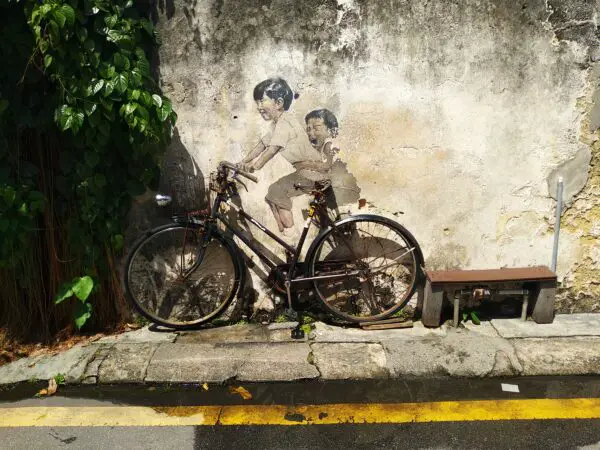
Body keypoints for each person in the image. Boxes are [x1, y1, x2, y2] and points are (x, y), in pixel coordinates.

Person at [238, 78, 328, 233]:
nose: (259, 107)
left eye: (262, 101)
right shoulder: (277, 124)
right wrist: (243, 161)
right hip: (306, 171)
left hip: (313, 171)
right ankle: (286, 233)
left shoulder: (286, 123)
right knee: (272, 194)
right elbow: (262, 145)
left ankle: (291, 235)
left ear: (278, 103)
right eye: (257, 103)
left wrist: (255, 166)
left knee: (276, 193)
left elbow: (272, 149)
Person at [304, 108, 361, 219]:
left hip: (336, 190)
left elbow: (328, 165)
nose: (311, 133)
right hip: (325, 189)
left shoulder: (328, 146)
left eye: (316, 128)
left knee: (336, 217)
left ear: (330, 131)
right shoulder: (317, 148)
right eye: (308, 129)